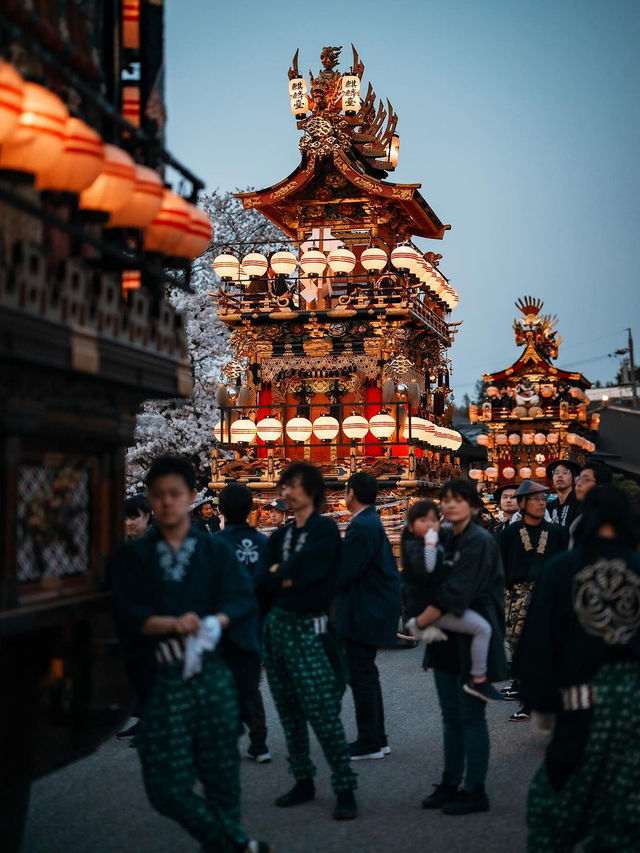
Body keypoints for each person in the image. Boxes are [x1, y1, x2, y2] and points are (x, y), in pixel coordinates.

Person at [111, 455, 271, 853]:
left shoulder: (214, 551)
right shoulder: (134, 557)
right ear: (150, 500)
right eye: (159, 495)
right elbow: (124, 612)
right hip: (163, 677)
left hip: (213, 673)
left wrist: (215, 620)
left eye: (175, 494)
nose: (167, 502)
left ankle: (225, 842)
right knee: (164, 786)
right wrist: (169, 624)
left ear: (192, 496)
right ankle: (237, 844)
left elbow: (242, 602)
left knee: (221, 780)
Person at [517, 486, 640, 852]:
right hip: (634, 697)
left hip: (580, 697)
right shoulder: (637, 567)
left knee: (556, 799)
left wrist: (540, 698)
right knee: (627, 797)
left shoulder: (563, 568)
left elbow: (539, 637)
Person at [255, 462, 358, 821]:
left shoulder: (325, 530)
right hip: (277, 628)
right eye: (284, 485)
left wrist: (281, 577)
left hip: (309, 628)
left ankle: (345, 785)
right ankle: (303, 779)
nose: (286, 491)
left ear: (311, 491)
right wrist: (284, 577)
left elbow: (314, 576)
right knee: (287, 709)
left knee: (321, 711)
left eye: (293, 485)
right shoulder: (282, 535)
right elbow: (262, 580)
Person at [409, 479, 507, 815]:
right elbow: (425, 573)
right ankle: (450, 781)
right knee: (450, 717)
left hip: (470, 635)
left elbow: (456, 592)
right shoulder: (445, 536)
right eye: (446, 500)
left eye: (459, 500)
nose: (450, 505)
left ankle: (475, 788)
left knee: (470, 716)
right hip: (446, 638)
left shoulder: (480, 540)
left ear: (474, 506)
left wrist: (419, 622)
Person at [402, 500, 504, 702]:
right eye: (423, 520)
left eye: (433, 520)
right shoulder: (416, 546)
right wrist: (432, 543)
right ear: (411, 526)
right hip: (431, 607)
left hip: (433, 608)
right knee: (482, 628)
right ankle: (478, 678)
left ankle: (424, 628)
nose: (430, 525)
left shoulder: (441, 539)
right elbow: (429, 569)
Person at [336, 472, 401, 760]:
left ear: (352, 493)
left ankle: (369, 741)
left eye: (346, 490)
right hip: (373, 606)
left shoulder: (362, 524)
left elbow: (349, 570)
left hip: (365, 609)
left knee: (361, 675)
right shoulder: (369, 521)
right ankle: (378, 738)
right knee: (367, 675)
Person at [500, 480, 569, 719]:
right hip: (517, 596)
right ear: (522, 503)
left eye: (543, 499)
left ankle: (551, 700)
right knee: (521, 648)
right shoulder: (508, 533)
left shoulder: (559, 533)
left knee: (548, 648)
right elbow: (502, 567)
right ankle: (526, 699)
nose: (541, 504)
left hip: (548, 596)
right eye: (535, 499)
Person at [216, 483, 271, 764]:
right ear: (251, 509)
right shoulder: (263, 544)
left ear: (219, 510)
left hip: (222, 626)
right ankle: (259, 742)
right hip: (254, 624)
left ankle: (224, 741)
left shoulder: (214, 544)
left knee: (222, 683)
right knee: (250, 682)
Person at [117, 494, 154, 740]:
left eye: (134, 517)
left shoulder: (154, 545)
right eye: (126, 518)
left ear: (147, 517)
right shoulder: (129, 546)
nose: (129, 523)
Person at [569, 461, 613, 548]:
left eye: (586, 479)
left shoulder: (607, 517)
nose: (578, 484)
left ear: (601, 485)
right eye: (578, 479)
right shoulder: (581, 513)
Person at [546, 460, 581, 528]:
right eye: (556, 473)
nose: (560, 476)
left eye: (565, 472)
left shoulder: (580, 503)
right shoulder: (549, 506)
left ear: (574, 479)